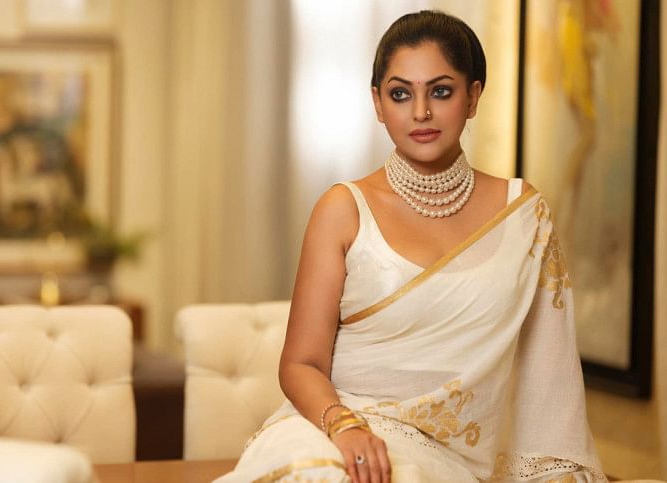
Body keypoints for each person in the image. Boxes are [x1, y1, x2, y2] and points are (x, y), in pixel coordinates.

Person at [216, 10, 604, 483]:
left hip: (444, 461)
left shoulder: (523, 216)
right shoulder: (344, 209)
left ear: (473, 96)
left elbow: (549, 375)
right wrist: (345, 427)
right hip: (333, 432)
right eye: (400, 94)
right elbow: (301, 364)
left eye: (440, 91)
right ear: (378, 103)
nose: (420, 112)